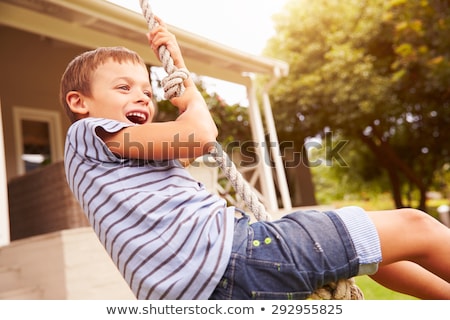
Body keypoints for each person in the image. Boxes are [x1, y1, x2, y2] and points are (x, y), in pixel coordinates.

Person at [60, 18, 450, 300]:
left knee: (373, 251)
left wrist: (177, 67)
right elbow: (200, 134)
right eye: (124, 87)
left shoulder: (123, 163)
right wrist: (191, 91)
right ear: (79, 102)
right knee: (416, 225)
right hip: (231, 261)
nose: (143, 97)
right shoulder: (86, 133)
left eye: (147, 90)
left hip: (202, 291)